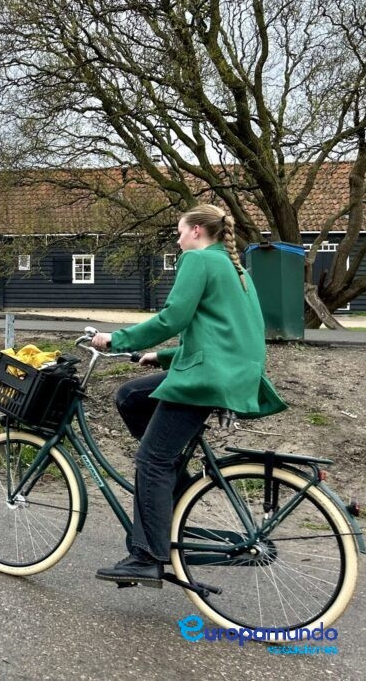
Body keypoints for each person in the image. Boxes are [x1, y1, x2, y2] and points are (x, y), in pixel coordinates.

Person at [90, 204, 285, 586]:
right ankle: (174, 489)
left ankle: (146, 557)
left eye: (180, 232)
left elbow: (173, 318)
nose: (177, 240)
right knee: (130, 396)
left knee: (151, 460)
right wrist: (162, 356)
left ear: (197, 230)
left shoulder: (198, 260)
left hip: (208, 377)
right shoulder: (235, 268)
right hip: (231, 372)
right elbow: (222, 332)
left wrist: (116, 339)